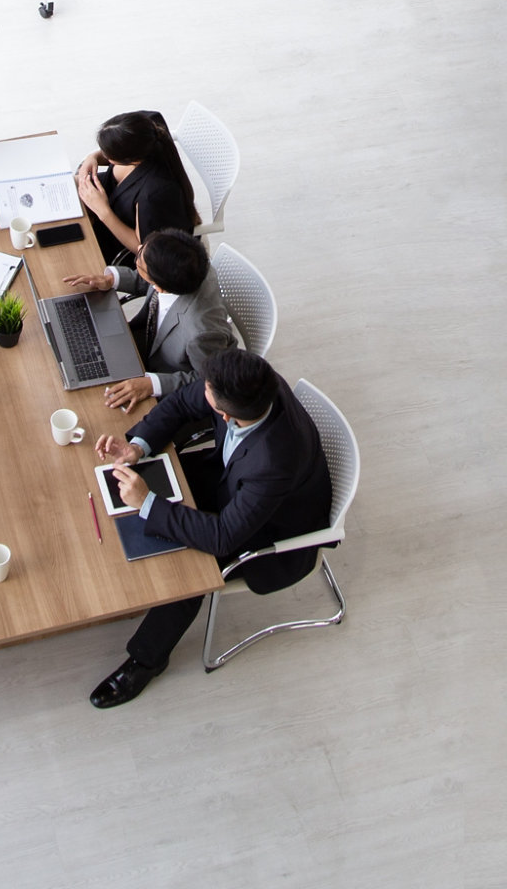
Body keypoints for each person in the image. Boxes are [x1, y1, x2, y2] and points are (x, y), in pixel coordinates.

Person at [87, 349, 332, 708]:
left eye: (208, 394)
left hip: (270, 532)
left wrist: (148, 503)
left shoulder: (274, 461)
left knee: (189, 572)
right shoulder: (248, 379)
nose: (201, 391)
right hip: (231, 480)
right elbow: (182, 404)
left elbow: (222, 538)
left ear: (226, 414)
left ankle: (146, 660)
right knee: (156, 483)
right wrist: (137, 446)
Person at [62, 228, 234, 414]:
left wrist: (152, 384)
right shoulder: (189, 265)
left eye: (140, 263)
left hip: (167, 382)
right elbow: (149, 279)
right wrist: (111, 280)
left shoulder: (202, 333)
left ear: (160, 286)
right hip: (143, 343)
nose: (138, 248)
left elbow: (212, 382)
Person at [74, 110, 201, 265]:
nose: (104, 156)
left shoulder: (154, 194)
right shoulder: (150, 126)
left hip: (116, 242)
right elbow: (106, 153)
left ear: (131, 159)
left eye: (108, 154)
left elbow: (143, 249)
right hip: (105, 203)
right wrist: (92, 157)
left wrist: (103, 211)